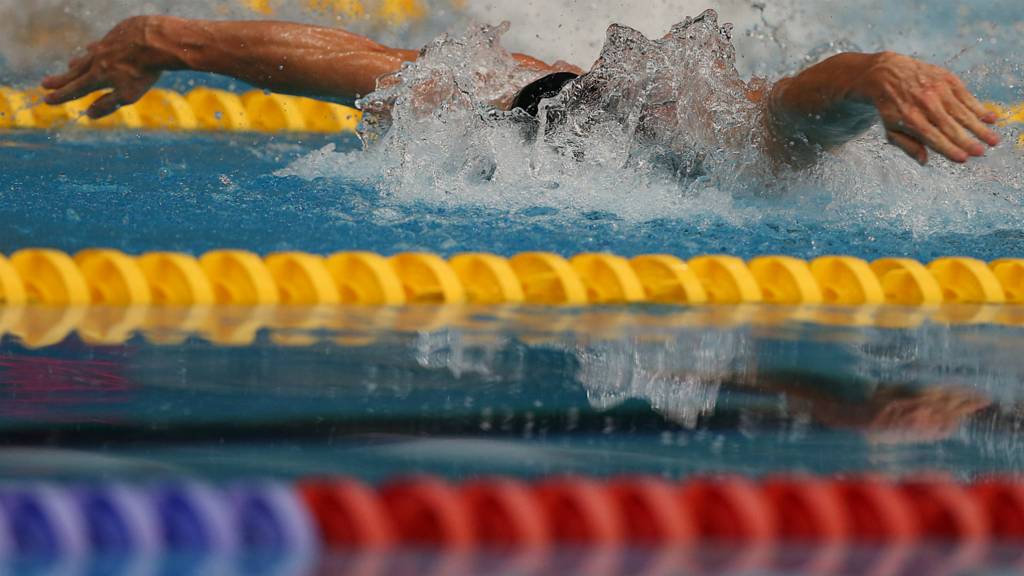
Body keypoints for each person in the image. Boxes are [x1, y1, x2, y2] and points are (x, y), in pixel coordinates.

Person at [42, 14, 1001, 167]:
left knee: (435, 85)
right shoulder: (738, 141)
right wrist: (878, 71)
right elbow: (798, 104)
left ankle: (168, 35)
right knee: (440, 88)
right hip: (630, 110)